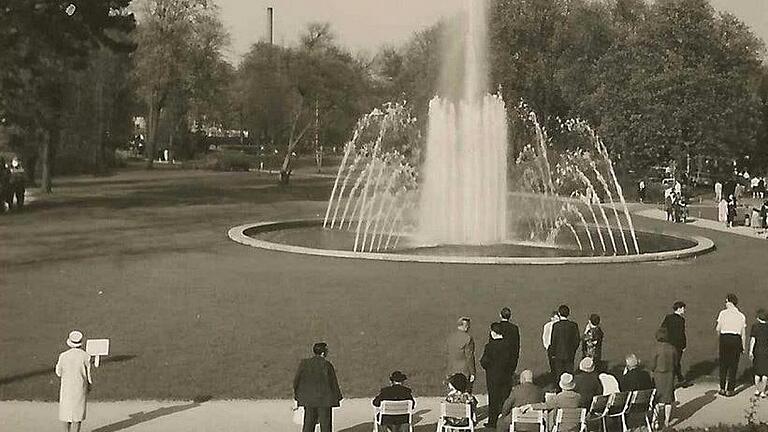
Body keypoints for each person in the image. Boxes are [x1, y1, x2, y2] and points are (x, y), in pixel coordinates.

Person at [293, 342, 343, 432]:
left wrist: (297, 396)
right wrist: (338, 397)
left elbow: (296, 381)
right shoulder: (327, 365)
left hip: (309, 399)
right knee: (325, 425)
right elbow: (333, 383)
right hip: (324, 400)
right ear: (323, 353)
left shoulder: (304, 363)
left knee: (308, 424)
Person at [55, 330, 92, 432]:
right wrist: (89, 385)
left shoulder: (63, 355)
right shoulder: (86, 356)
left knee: (65, 413)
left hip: (66, 387)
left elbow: (58, 372)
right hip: (80, 387)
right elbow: (88, 374)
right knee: (77, 414)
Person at [481, 322, 515, 428]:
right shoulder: (508, 345)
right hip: (506, 375)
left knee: (493, 398)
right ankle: (505, 420)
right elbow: (512, 360)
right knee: (505, 397)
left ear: (493, 332)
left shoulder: (489, 346)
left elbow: (484, 362)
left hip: (493, 376)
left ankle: (492, 421)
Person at [716, 293, 747, 396]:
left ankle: (722, 387)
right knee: (733, 365)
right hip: (736, 339)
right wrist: (743, 346)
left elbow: (718, 329)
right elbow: (743, 333)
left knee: (723, 364)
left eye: (726, 302)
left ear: (729, 302)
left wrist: (720, 339)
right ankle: (730, 389)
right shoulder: (741, 315)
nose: (725, 304)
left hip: (725, 338)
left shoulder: (723, 313)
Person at [651, 328, 678, 429]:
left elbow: (653, 364)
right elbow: (676, 363)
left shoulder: (656, 348)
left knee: (657, 399)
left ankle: (656, 420)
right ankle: (667, 420)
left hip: (659, 375)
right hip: (670, 374)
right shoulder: (672, 348)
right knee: (668, 399)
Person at [549, 305, 580, 381]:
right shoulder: (573, 325)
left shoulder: (556, 325)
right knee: (569, 374)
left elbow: (553, 340)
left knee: (559, 374)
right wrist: (573, 350)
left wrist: (552, 353)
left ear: (559, 313)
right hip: (570, 354)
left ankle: (560, 390)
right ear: (568, 314)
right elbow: (577, 340)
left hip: (558, 354)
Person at [661, 301, 687, 384]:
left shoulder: (668, 317)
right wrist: (684, 345)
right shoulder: (681, 320)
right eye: (683, 308)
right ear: (679, 309)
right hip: (678, 345)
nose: (684, 310)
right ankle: (680, 380)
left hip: (668, 344)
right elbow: (681, 333)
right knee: (676, 363)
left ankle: (679, 379)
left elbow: (663, 329)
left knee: (671, 363)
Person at [447, 316, 476, 390]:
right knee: (465, 393)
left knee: (453, 393)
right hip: (464, 370)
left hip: (452, 369)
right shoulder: (468, 338)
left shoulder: (451, 337)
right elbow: (469, 356)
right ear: (465, 326)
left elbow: (448, 354)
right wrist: (472, 372)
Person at [492, 306, 520, 375]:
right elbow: (517, 344)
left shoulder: (497, 327)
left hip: (498, 357)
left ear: (500, 315)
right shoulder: (514, 328)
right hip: (511, 357)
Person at [749, 310, 768, 398]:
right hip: (766, 352)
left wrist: (750, 351)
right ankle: (763, 392)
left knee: (757, 373)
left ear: (758, 317)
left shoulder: (755, 327)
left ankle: (757, 390)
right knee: (765, 373)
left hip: (757, 351)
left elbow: (753, 340)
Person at [542, 310, 559, 378]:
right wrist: (547, 346)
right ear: (552, 318)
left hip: (558, 347)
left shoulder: (559, 326)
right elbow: (545, 336)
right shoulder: (547, 326)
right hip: (550, 347)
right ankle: (554, 377)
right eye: (556, 318)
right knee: (552, 364)